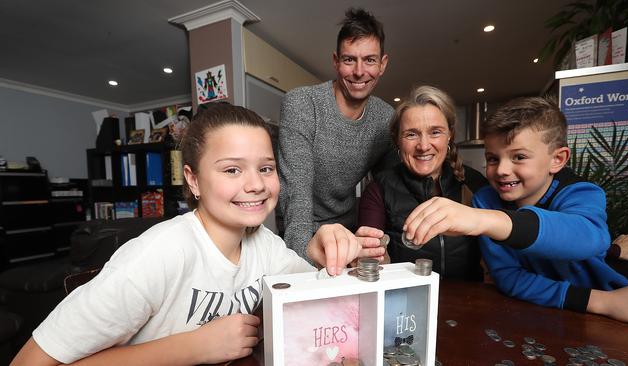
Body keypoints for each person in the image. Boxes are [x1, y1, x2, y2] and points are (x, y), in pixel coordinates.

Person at [11, 102, 368, 366]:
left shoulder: (265, 245)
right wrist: (194, 347)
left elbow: (327, 299)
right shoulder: (157, 255)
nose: (256, 184)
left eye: (265, 168)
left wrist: (330, 248)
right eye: (232, 169)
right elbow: (30, 363)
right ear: (193, 179)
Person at [398, 97, 628, 324]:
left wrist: (487, 221)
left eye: (519, 157)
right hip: (547, 313)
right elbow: (510, 277)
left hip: (613, 305)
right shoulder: (486, 200)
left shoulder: (579, 192)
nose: (502, 170)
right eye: (493, 159)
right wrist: (597, 302)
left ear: (557, 160)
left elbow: (588, 238)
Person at [278, 7, 397, 259]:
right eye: (349, 59)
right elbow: (296, 197)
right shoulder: (302, 104)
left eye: (370, 60)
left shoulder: (387, 118)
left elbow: (391, 189)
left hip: (349, 231)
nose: (359, 71)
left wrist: (382, 245)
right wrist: (302, 261)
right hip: (303, 230)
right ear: (335, 61)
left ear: (383, 64)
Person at [357, 85, 487, 280]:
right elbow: (371, 261)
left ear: (450, 134)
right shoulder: (379, 189)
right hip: (405, 299)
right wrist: (376, 258)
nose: (424, 146)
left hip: (468, 299)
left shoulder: (475, 182)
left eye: (435, 132)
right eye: (411, 134)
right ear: (397, 140)